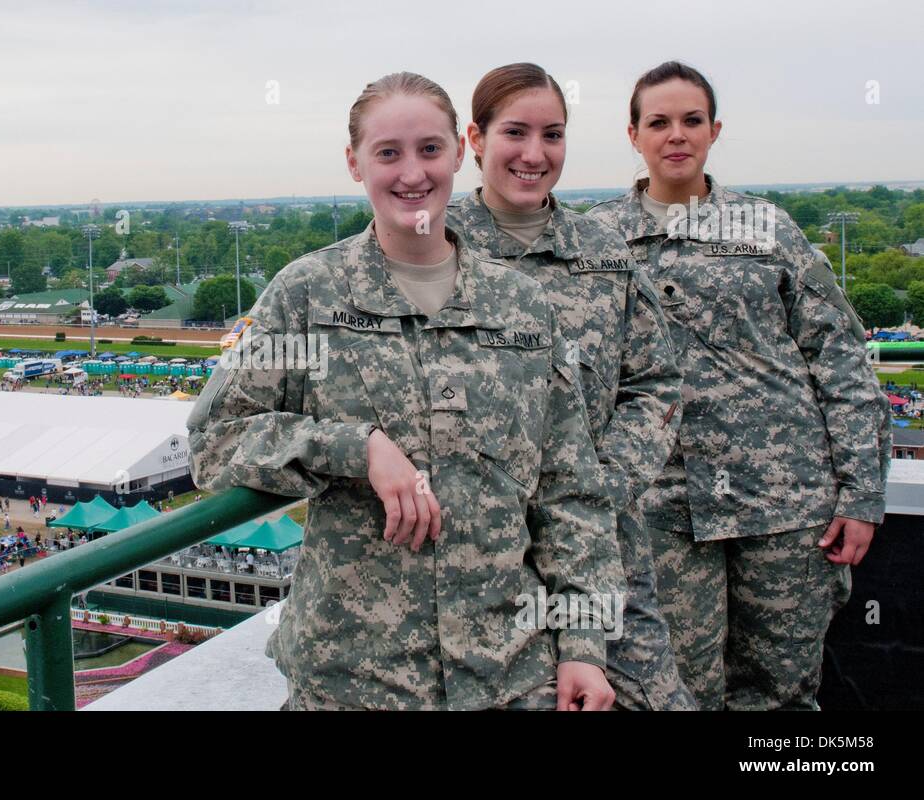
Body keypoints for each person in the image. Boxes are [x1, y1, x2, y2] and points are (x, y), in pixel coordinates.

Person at [188, 72, 622, 711]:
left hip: (508, 675)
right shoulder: (309, 295)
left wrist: (584, 647)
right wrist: (354, 447)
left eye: (429, 149)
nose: (412, 172)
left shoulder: (523, 307)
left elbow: (570, 491)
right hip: (353, 680)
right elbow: (213, 444)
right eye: (387, 152)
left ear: (458, 152)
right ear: (354, 163)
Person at [586, 61, 892, 710]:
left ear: (715, 130)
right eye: (659, 122)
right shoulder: (596, 241)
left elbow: (840, 357)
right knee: (672, 694)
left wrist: (861, 494)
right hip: (660, 512)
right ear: (633, 134)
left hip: (783, 506)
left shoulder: (768, 230)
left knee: (779, 696)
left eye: (691, 120)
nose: (676, 135)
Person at [445, 63, 693, 710]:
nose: (535, 154)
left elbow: (656, 384)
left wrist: (598, 487)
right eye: (515, 133)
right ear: (475, 138)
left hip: (603, 551)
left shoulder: (604, 254)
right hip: (478, 567)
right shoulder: (431, 250)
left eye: (552, 135)